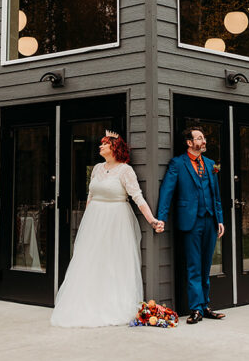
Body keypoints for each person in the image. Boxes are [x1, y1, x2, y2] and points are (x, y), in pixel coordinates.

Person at [51, 131, 161, 327]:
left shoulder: (125, 170)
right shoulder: (97, 168)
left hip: (117, 220)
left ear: (114, 148)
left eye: (104, 144)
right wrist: (87, 222)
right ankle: (88, 301)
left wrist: (152, 220)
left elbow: (137, 197)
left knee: (113, 262)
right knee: (91, 260)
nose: (100, 147)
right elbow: (91, 196)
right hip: (95, 219)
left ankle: (112, 303)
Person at [155, 125, 226, 324]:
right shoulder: (178, 164)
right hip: (190, 222)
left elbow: (216, 195)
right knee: (194, 266)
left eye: (203, 138)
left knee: (205, 266)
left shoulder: (211, 164)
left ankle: (205, 306)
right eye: (200, 138)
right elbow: (167, 192)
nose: (204, 141)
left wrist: (219, 219)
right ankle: (196, 309)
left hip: (210, 220)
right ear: (189, 142)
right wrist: (161, 217)